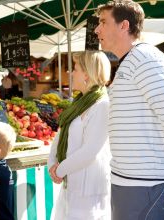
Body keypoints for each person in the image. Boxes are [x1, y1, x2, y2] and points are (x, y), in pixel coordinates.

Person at [94, 1, 164, 219]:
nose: (96, 29)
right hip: (130, 184)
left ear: (124, 25)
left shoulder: (144, 59)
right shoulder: (131, 61)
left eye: (103, 22)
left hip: (148, 186)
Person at [48, 51, 111, 220]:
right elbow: (61, 135)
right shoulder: (78, 103)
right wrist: (52, 164)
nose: (70, 73)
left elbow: (91, 151)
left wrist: (59, 170)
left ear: (87, 74)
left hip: (89, 189)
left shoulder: (102, 105)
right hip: (72, 185)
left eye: (75, 69)